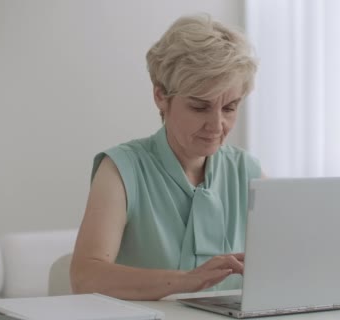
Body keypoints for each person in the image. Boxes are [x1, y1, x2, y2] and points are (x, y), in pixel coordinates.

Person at [70, 14, 262, 301]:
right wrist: (186, 281)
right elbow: (85, 277)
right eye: (199, 107)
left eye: (230, 107)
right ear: (160, 96)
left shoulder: (246, 170)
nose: (217, 125)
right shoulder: (122, 170)